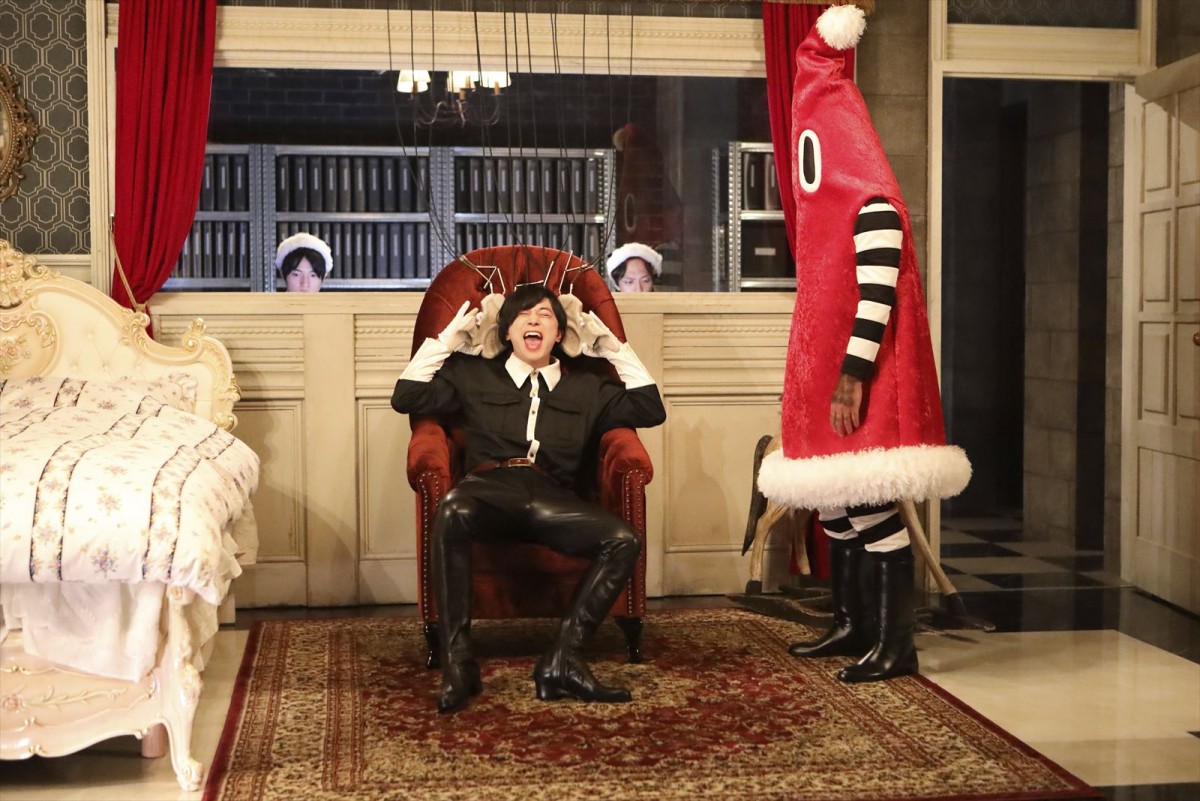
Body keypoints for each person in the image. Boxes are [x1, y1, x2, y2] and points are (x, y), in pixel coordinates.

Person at [756, 4, 971, 683]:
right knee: (836, 509)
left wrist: (850, 375)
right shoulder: (825, 216)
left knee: (872, 506)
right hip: (823, 381)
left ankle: (895, 642)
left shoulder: (871, 204)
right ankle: (852, 625)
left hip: (860, 382)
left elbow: (877, 300)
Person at [391, 284, 666, 713]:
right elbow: (405, 397)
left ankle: (563, 660)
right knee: (454, 508)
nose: (534, 320)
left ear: (560, 335)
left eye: (545, 315)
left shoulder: (589, 387)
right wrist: (446, 343)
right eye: (523, 314)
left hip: (552, 496)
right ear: (506, 331)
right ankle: (459, 662)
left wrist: (614, 349)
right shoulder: (472, 375)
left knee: (623, 539)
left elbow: (650, 409)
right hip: (489, 490)